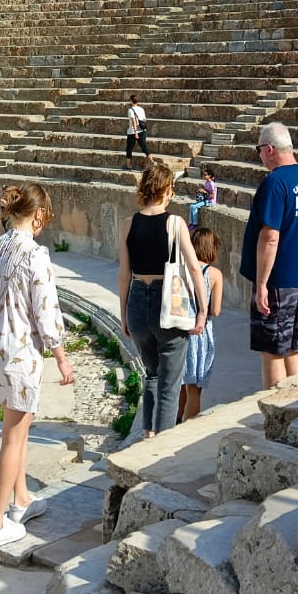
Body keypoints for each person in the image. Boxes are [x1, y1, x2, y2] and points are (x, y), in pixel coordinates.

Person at [0, 184, 74, 549]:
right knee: (13, 436)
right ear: (38, 215)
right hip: (20, 351)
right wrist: (61, 356)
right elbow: (46, 312)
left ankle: (21, 499)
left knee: (19, 426)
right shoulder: (35, 255)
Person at [119, 161, 207, 438]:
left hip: (136, 303)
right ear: (167, 190)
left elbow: (124, 274)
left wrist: (124, 315)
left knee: (152, 375)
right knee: (171, 384)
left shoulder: (128, 224)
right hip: (167, 301)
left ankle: (147, 436)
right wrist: (202, 310)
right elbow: (194, 268)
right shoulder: (175, 223)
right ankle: (160, 448)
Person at [240, 122, 298, 388]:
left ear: (270, 149)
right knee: (293, 346)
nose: (259, 155)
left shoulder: (274, 183)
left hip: (278, 280)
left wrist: (262, 284)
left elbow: (270, 236)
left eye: (259, 149)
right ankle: (296, 407)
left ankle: (274, 417)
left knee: (272, 349)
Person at [178, 227, 223, 423]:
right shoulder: (213, 274)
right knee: (194, 387)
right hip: (200, 331)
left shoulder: (181, 268)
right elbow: (216, 311)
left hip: (179, 328)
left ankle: (175, 423)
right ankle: (186, 429)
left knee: (180, 384)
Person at [125, 96, 150, 168]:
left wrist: (136, 132)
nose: (129, 101)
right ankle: (152, 161)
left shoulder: (130, 110)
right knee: (144, 147)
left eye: (130, 100)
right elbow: (144, 120)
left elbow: (133, 121)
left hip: (133, 132)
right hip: (142, 130)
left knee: (129, 149)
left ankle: (128, 166)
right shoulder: (141, 109)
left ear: (131, 101)